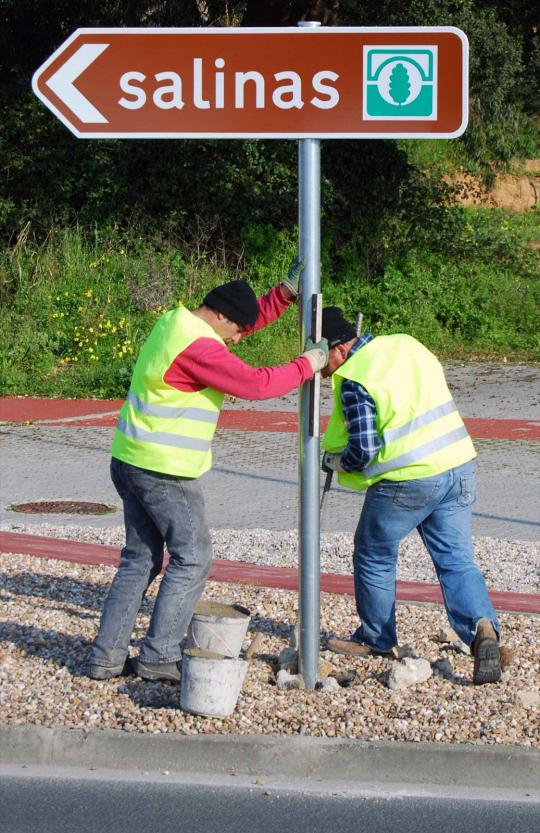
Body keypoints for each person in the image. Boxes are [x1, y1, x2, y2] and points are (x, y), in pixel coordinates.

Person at [88, 259, 329, 682]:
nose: (237, 340)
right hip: (164, 470)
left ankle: (105, 658)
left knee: (140, 560)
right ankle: (159, 657)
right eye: (236, 331)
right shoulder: (200, 348)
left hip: (129, 458)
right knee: (193, 558)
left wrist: (283, 295)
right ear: (219, 316)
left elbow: (239, 323)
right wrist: (308, 364)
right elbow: (257, 385)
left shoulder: (175, 323)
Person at [320, 306, 501, 685]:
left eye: (320, 360)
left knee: (373, 553)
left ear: (336, 349)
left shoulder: (355, 377)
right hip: (459, 465)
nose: (321, 373)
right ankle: (483, 629)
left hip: (409, 479)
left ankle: (376, 637)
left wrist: (337, 462)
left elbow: (364, 450)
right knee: (456, 560)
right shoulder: (407, 344)